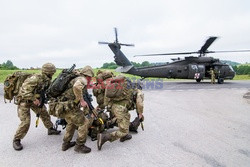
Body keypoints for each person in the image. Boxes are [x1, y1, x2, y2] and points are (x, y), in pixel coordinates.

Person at [13, 63, 61, 151]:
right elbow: (24, 92)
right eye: (52, 72)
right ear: (47, 72)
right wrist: (34, 99)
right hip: (24, 101)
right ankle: (16, 139)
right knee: (26, 122)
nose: (53, 74)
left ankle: (50, 129)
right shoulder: (34, 79)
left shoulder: (46, 79)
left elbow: (47, 91)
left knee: (44, 113)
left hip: (35, 101)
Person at [97, 75, 144, 150]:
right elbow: (139, 103)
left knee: (127, 116)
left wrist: (106, 105)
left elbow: (107, 96)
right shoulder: (138, 91)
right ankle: (104, 137)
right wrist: (140, 114)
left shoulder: (124, 86)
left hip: (114, 107)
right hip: (120, 109)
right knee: (123, 131)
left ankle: (124, 137)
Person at [55, 66, 94, 153]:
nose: (90, 79)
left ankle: (66, 144)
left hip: (64, 106)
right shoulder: (82, 79)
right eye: (90, 77)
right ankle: (79, 145)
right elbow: (77, 87)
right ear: (88, 75)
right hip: (70, 107)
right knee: (84, 122)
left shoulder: (75, 78)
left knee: (71, 123)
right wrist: (82, 100)